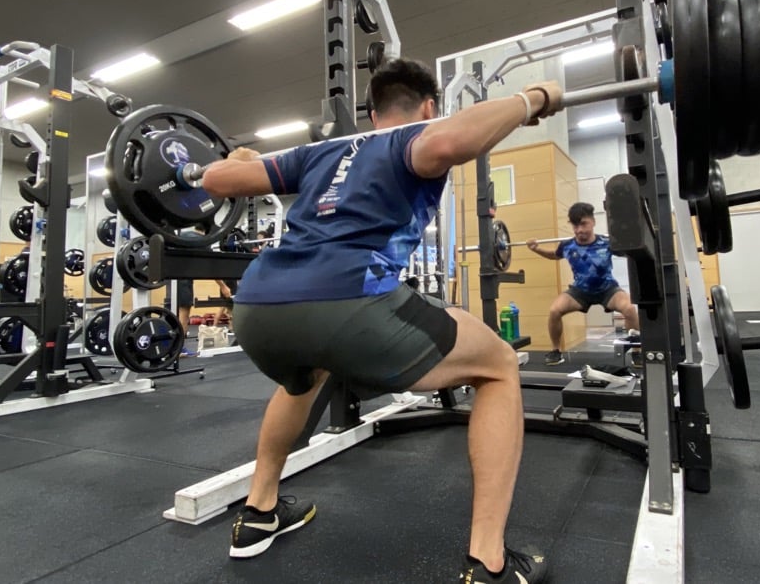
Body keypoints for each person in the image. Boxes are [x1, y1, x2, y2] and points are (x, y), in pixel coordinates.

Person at [201, 57, 563, 582]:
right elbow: (442, 145)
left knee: (302, 378)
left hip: (258, 307)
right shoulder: (412, 137)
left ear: (372, 113)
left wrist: (239, 158)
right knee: (499, 365)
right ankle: (490, 562)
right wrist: (534, 99)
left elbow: (215, 179)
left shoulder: (317, 154)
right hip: (350, 302)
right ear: (429, 107)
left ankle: (258, 514)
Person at [527, 202, 640, 366]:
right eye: (575, 225)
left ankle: (636, 352)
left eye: (583, 224)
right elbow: (554, 255)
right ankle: (555, 351)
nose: (579, 230)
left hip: (608, 289)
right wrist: (536, 249)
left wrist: (630, 236)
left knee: (629, 308)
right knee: (554, 311)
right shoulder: (567, 246)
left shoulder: (607, 243)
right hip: (580, 291)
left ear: (593, 222)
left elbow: (630, 251)